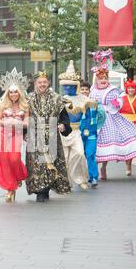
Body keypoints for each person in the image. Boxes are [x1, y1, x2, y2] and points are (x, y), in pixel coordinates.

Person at [89, 49, 136, 180]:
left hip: (111, 118)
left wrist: (116, 103)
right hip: (96, 119)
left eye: (105, 78)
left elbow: (119, 103)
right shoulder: (93, 90)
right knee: (95, 144)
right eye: (101, 78)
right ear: (97, 80)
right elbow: (89, 103)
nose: (104, 80)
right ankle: (98, 169)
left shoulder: (112, 90)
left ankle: (105, 167)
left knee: (111, 144)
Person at [25, 71, 72, 203]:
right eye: (40, 82)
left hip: (51, 135)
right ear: (35, 84)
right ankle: (40, 190)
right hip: (34, 135)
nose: (42, 84)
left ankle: (45, 189)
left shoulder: (57, 98)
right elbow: (25, 118)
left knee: (49, 163)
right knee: (37, 164)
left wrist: (63, 125)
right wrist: (23, 133)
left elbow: (64, 117)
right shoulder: (28, 99)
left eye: (44, 82)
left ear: (48, 83)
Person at [0, 68, 30, 203]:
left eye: (15, 92)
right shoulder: (3, 104)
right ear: (8, 93)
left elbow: (27, 123)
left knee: (14, 159)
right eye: (11, 92)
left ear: (19, 92)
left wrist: (18, 123)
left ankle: (19, 177)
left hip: (17, 135)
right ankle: (10, 189)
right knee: (5, 161)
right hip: (3, 134)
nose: (13, 94)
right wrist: (4, 122)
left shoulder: (25, 106)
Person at [58, 61, 89, 190]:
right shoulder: (59, 99)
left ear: (75, 86)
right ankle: (66, 182)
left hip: (76, 132)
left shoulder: (83, 99)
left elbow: (90, 115)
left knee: (80, 154)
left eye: (70, 86)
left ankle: (81, 178)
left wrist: (87, 128)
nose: (67, 88)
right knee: (64, 158)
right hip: (63, 132)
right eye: (65, 86)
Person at [76, 82, 106, 188]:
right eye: (82, 89)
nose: (84, 91)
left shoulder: (95, 103)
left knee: (90, 155)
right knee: (80, 156)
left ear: (89, 91)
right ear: (79, 91)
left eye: (86, 89)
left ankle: (93, 177)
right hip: (78, 134)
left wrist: (96, 126)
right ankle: (81, 177)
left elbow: (102, 116)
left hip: (91, 135)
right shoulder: (75, 103)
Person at [120, 79, 136, 176]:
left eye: (132, 88)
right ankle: (126, 162)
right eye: (129, 88)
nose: (131, 90)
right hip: (123, 124)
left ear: (135, 89)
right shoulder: (122, 98)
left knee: (131, 146)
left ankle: (129, 165)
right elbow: (117, 111)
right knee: (125, 145)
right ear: (126, 89)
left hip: (134, 123)